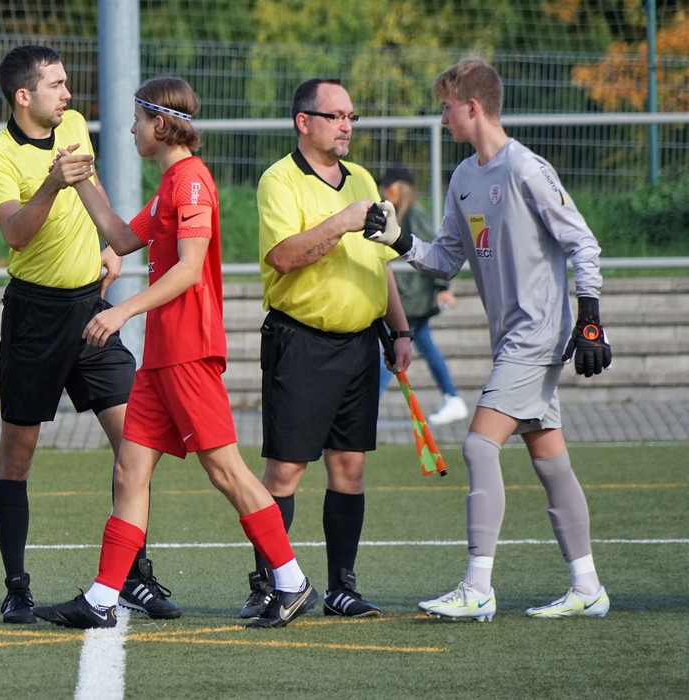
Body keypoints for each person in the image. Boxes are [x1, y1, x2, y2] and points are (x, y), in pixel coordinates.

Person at [32, 76, 316, 629]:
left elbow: (189, 269)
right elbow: (121, 238)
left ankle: (290, 580)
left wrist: (121, 311)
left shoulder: (190, 181)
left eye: (138, 121)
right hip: (161, 358)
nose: (131, 130)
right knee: (129, 472)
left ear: (160, 125)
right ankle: (101, 598)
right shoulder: (170, 184)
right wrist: (78, 181)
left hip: (188, 353)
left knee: (225, 471)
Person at [363, 56, 611, 620]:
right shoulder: (464, 179)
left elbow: (583, 242)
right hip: (511, 338)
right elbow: (446, 259)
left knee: (478, 445)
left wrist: (590, 317)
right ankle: (588, 586)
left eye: (447, 108)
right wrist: (399, 240)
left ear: (472, 107)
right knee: (549, 458)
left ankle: (477, 586)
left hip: (537, 333)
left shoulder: (525, 168)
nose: (442, 118)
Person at [0, 45, 179, 624]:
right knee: (17, 458)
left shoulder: (73, 125)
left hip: (91, 311)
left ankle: (133, 575)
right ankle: (17, 587)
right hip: (34, 318)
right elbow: (15, 235)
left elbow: (97, 195)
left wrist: (110, 246)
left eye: (66, 84)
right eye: (57, 85)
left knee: (136, 445)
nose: (68, 94)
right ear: (24, 96)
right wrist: (50, 185)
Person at [241, 78, 413, 620]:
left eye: (351, 117)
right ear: (304, 122)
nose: (346, 126)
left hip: (360, 345)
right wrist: (342, 221)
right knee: (285, 473)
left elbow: (380, 263)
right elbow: (283, 257)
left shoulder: (361, 178)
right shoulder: (279, 179)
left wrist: (400, 330)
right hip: (301, 342)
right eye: (335, 116)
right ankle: (271, 584)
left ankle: (342, 587)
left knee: (349, 468)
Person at [376, 166, 468, 426]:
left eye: (389, 185)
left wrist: (443, 288)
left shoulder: (413, 214)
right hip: (409, 297)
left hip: (413, 299)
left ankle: (369, 404)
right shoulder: (399, 215)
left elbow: (433, 253)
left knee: (392, 351)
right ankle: (452, 398)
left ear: (401, 187)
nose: (384, 190)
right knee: (425, 348)